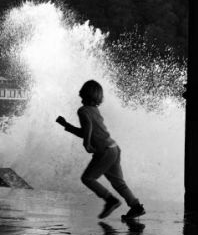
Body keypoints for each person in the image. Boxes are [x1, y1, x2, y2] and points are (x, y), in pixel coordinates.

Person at [56, 80, 145, 220]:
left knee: (87, 178)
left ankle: (111, 201)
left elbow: (88, 128)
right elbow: (87, 131)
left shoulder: (83, 110)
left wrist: (86, 144)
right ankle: (136, 207)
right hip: (114, 148)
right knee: (119, 183)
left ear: (83, 93)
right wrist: (66, 125)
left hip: (104, 151)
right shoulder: (95, 110)